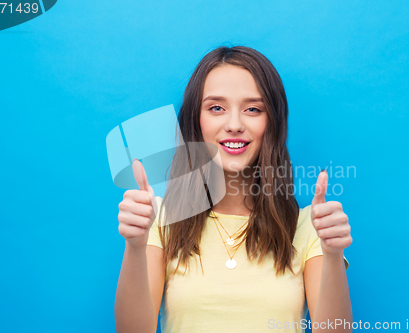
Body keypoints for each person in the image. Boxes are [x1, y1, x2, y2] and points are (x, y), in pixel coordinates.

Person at [114, 46, 353, 333]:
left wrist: (332, 254)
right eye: (216, 108)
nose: (235, 124)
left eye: (253, 109)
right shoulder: (161, 218)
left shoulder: (307, 227)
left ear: (272, 123)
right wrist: (136, 246)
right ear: (196, 120)